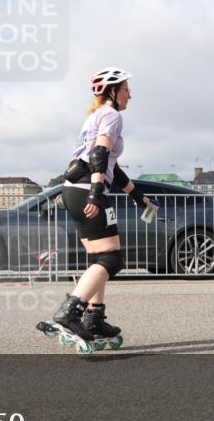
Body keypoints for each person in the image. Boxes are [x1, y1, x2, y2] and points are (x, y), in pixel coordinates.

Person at [52, 67, 153, 344]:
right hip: (87, 188)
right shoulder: (111, 115)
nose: (130, 95)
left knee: (100, 258)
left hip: (74, 189)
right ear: (112, 92)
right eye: (126, 90)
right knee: (112, 259)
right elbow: (100, 152)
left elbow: (113, 168)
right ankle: (70, 312)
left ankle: (94, 318)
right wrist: (97, 191)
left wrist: (137, 196)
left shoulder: (94, 117)